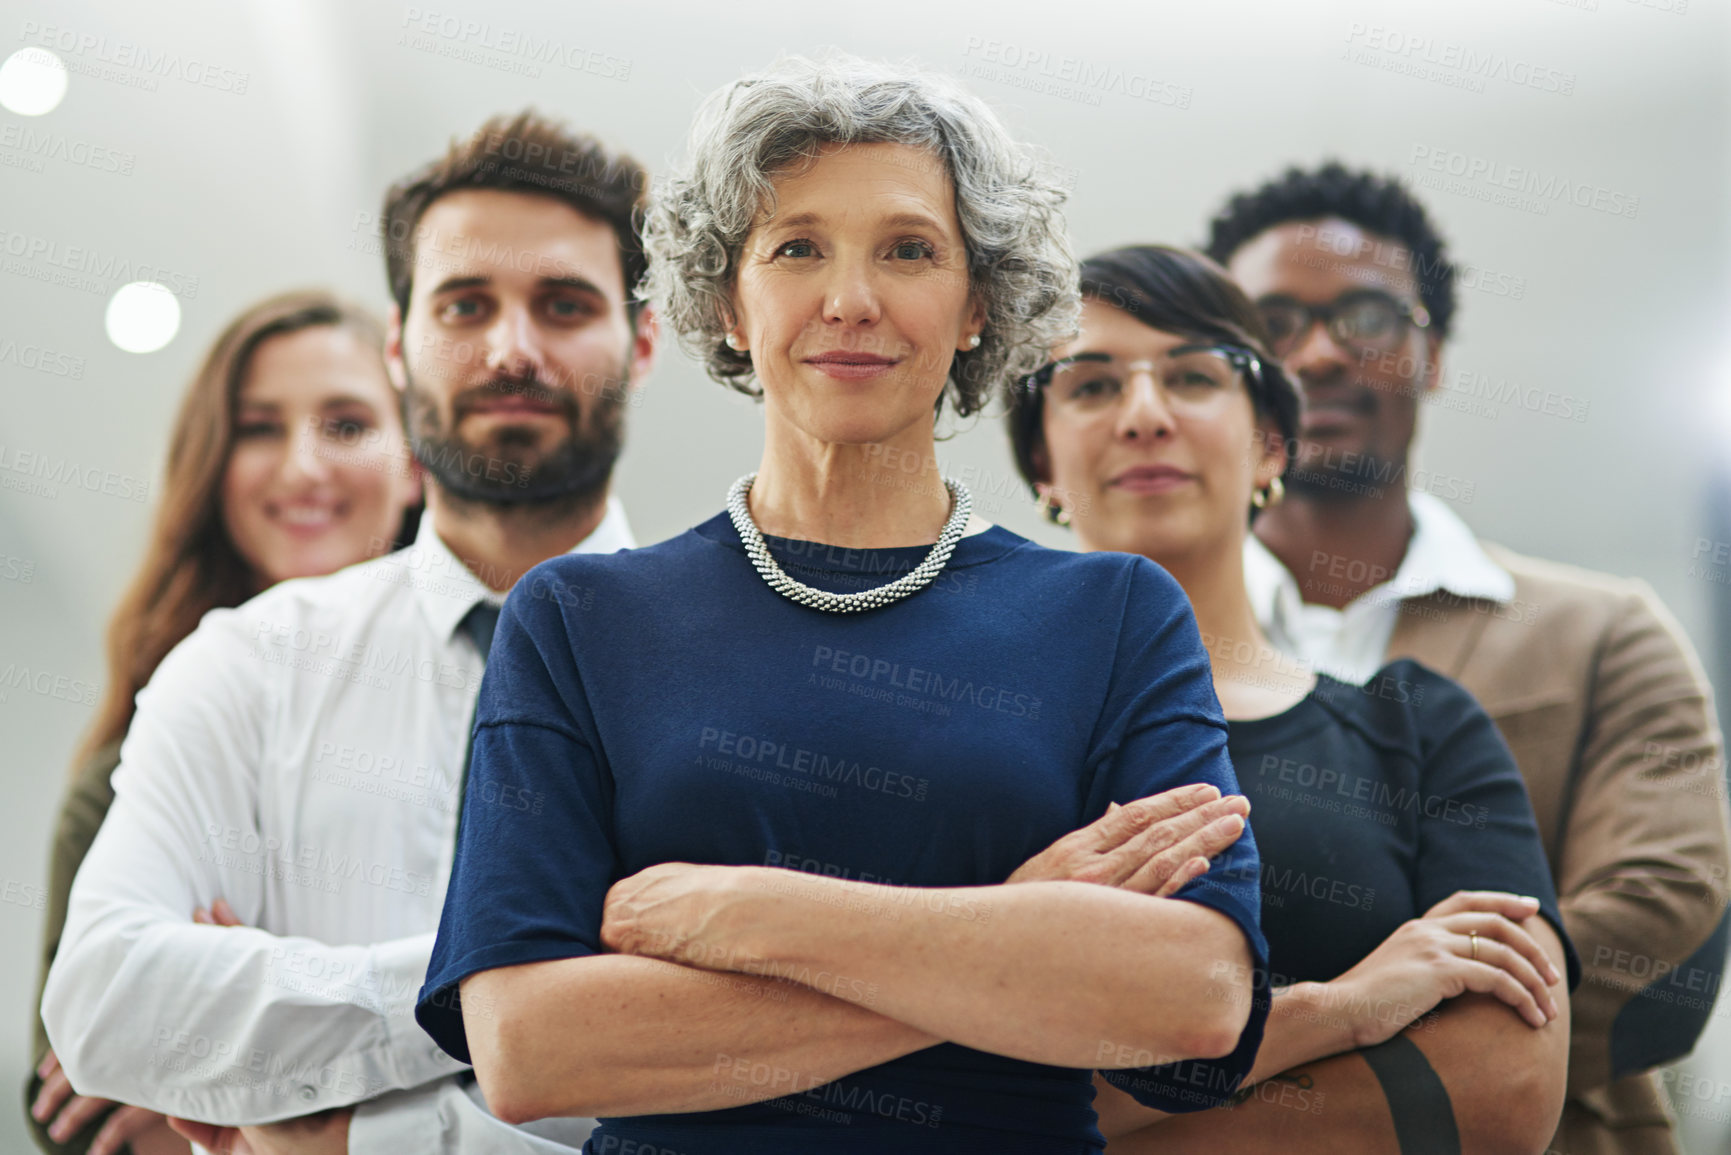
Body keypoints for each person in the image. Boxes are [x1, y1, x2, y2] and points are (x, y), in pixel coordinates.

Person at [416, 56, 1270, 1155]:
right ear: (729, 301)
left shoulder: (1113, 612)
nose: (851, 300)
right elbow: (533, 1049)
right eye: (796, 248)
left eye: (909, 250)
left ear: (977, 307)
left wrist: (749, 919)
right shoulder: (581, 618)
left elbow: (1194, 1000)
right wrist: (1015, 926)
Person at [41, 110, 651, 1155]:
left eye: (563, 304)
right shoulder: (244, 664)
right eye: (465, 305)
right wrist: (503, 987)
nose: (513, 349)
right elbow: (106, 1005)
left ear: (640, 342)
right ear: (398, 346)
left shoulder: (753, 662)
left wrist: (340, 1121)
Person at [1202, 162, 1731, 1155]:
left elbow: (1664, 926)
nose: (1316, 354)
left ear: (1431, 355)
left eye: (1363, 316)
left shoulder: (1604, 634)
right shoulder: (1135, 649)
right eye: (1272, 324)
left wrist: (1224, 1068)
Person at [1007, 243, 1578, 1150]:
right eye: (1090, 386)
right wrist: (1338, 1010)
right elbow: (910, 1089)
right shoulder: (959, 736)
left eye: (1194, 377)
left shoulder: (1423, 728)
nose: (1145, 415)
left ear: (1271, 440)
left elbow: (1499, 1089)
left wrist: (1077, 1110)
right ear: (1041, 459)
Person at [25, 290, 422, 1155]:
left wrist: (223, 1022)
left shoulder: (514, 714)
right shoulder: (124, 775)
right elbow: (86, 1109)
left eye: (348, 424)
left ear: (418, 461)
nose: (302, 467)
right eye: (258, 428)